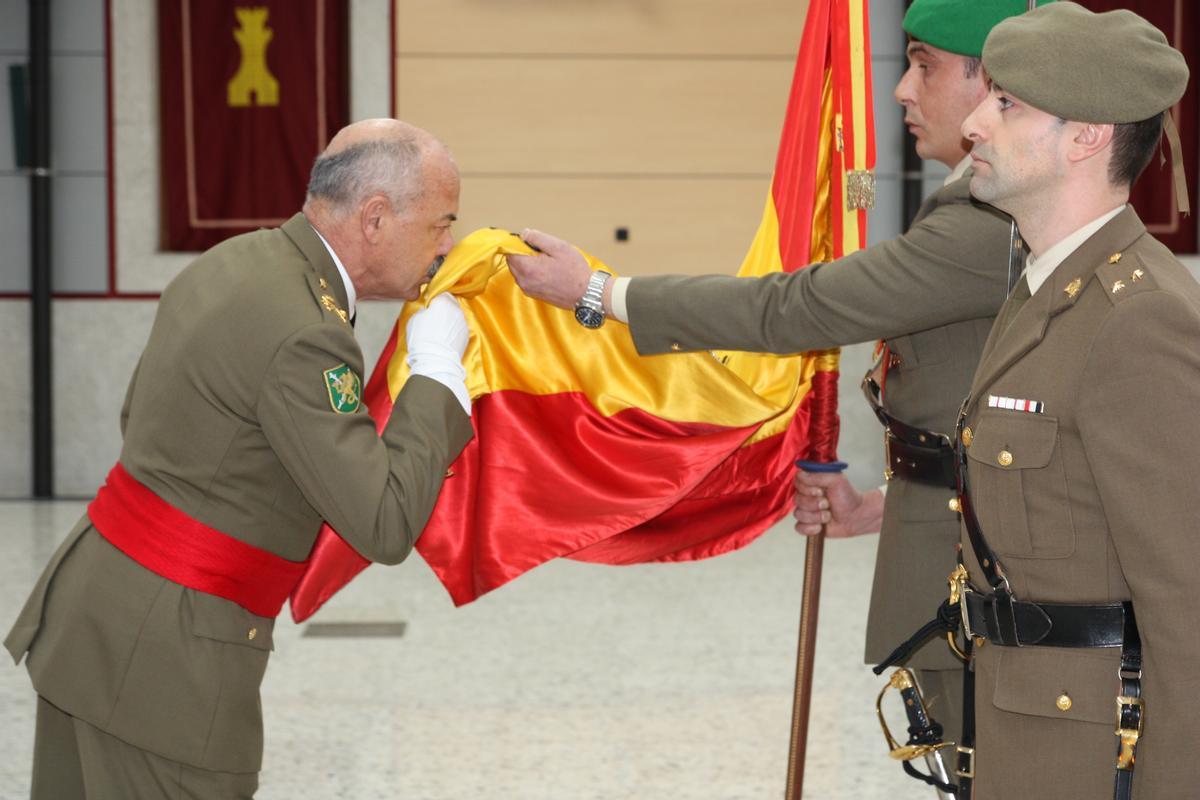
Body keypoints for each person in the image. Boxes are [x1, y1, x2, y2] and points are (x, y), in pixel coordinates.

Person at [508, 0, 1049, 745]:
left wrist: (598, 293)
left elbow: (798, 307)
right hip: (965, 546)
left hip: (993, 579)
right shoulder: (984, 208)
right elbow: (992, 428)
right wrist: (878, 508)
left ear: (991, 85)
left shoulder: (985, 221)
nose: (900, 89)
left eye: (922, 66)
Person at [5, 118, 475, 799]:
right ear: (376, 217)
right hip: (164, 663)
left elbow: (141, 418)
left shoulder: (238, 260)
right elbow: (383, 521)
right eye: (440, 224)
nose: (448, 245)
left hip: (95, 615)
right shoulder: (306, 330)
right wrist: (436, 373)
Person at [948, 4, 1197, 798]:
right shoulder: (1049, 287)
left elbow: (1186, 600)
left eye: (1008, 103)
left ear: (1088, 135)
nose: (975, 123)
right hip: (1027, 725)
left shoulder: (1138, 317)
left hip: (1096, 757)